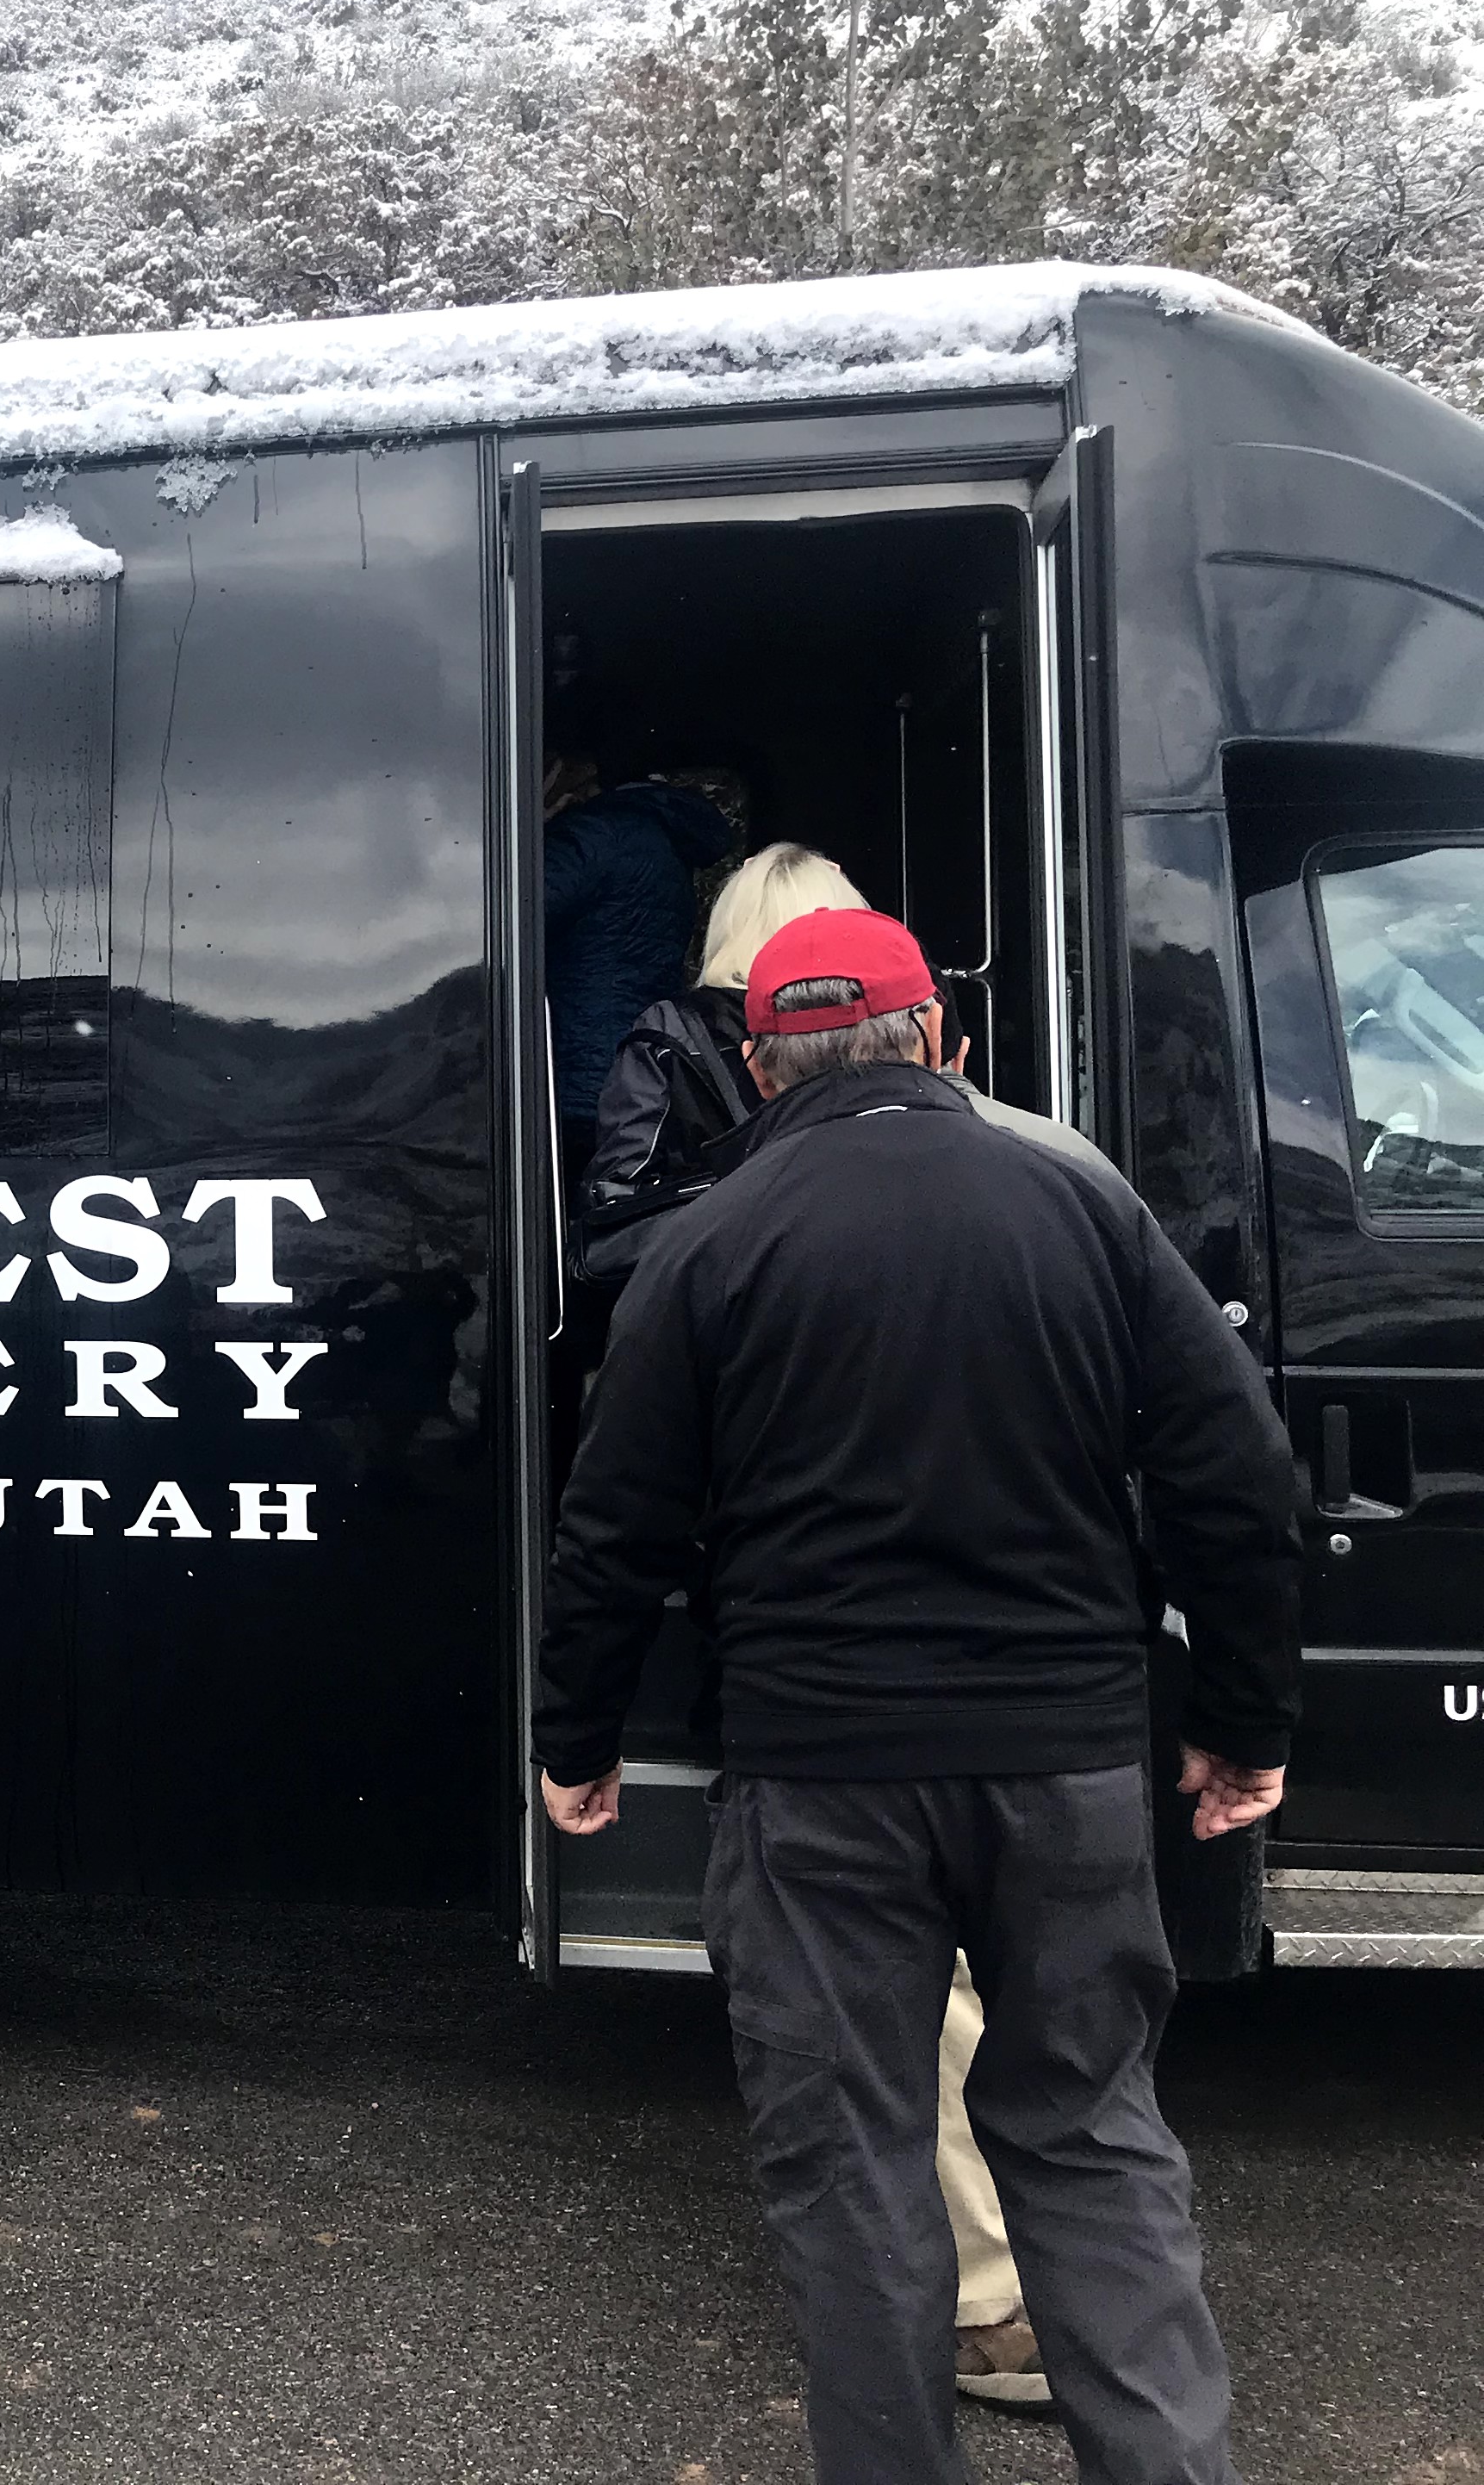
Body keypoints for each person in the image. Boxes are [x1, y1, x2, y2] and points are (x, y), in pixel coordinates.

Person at [536, 908, 1302, 2485]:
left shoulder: (707, 1241)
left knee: (856, 2172)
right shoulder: (1082, 1206)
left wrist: (576, 1741)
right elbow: (1241, 1475)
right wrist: (1241, 1720)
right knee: (1087, 2138)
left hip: (819, 1784)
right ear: (941, 1043)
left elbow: (611, 1525)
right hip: (1070, 1768)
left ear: (756, 1067)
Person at [577, 842, 863, 1286]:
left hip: (720, 1285)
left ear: (733, 921)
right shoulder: (887, 1024)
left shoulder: (672, 1028)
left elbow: (619, 1194)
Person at [543, 765, 740, 1177]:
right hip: (632, 1059)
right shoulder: (658, 839)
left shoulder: (591, 835)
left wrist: (539, 832)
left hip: (577, 1064)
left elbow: (510, 917)